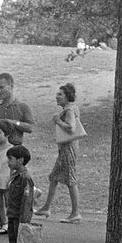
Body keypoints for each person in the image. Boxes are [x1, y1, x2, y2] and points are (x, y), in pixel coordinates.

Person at [35, 82, 83, 223]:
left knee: (71, 180)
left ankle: (75, 213)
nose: (57, 96)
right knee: (54, 177)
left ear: (68, 96)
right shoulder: (72, 108)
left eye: (60, 94)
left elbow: (71, 128)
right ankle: (46, 207)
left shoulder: (69, 110)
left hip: (68, 149)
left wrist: (57, 121)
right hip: (66, 148)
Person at [0, 144, 36, 243]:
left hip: (20, 214)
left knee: (22, 239)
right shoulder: (16, 175)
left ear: (20, 160)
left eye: (10, 159)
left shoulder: (25, 178)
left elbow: (27, 199)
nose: (8, 162)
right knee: (13, 238)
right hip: (13, 212)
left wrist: (24, 217)